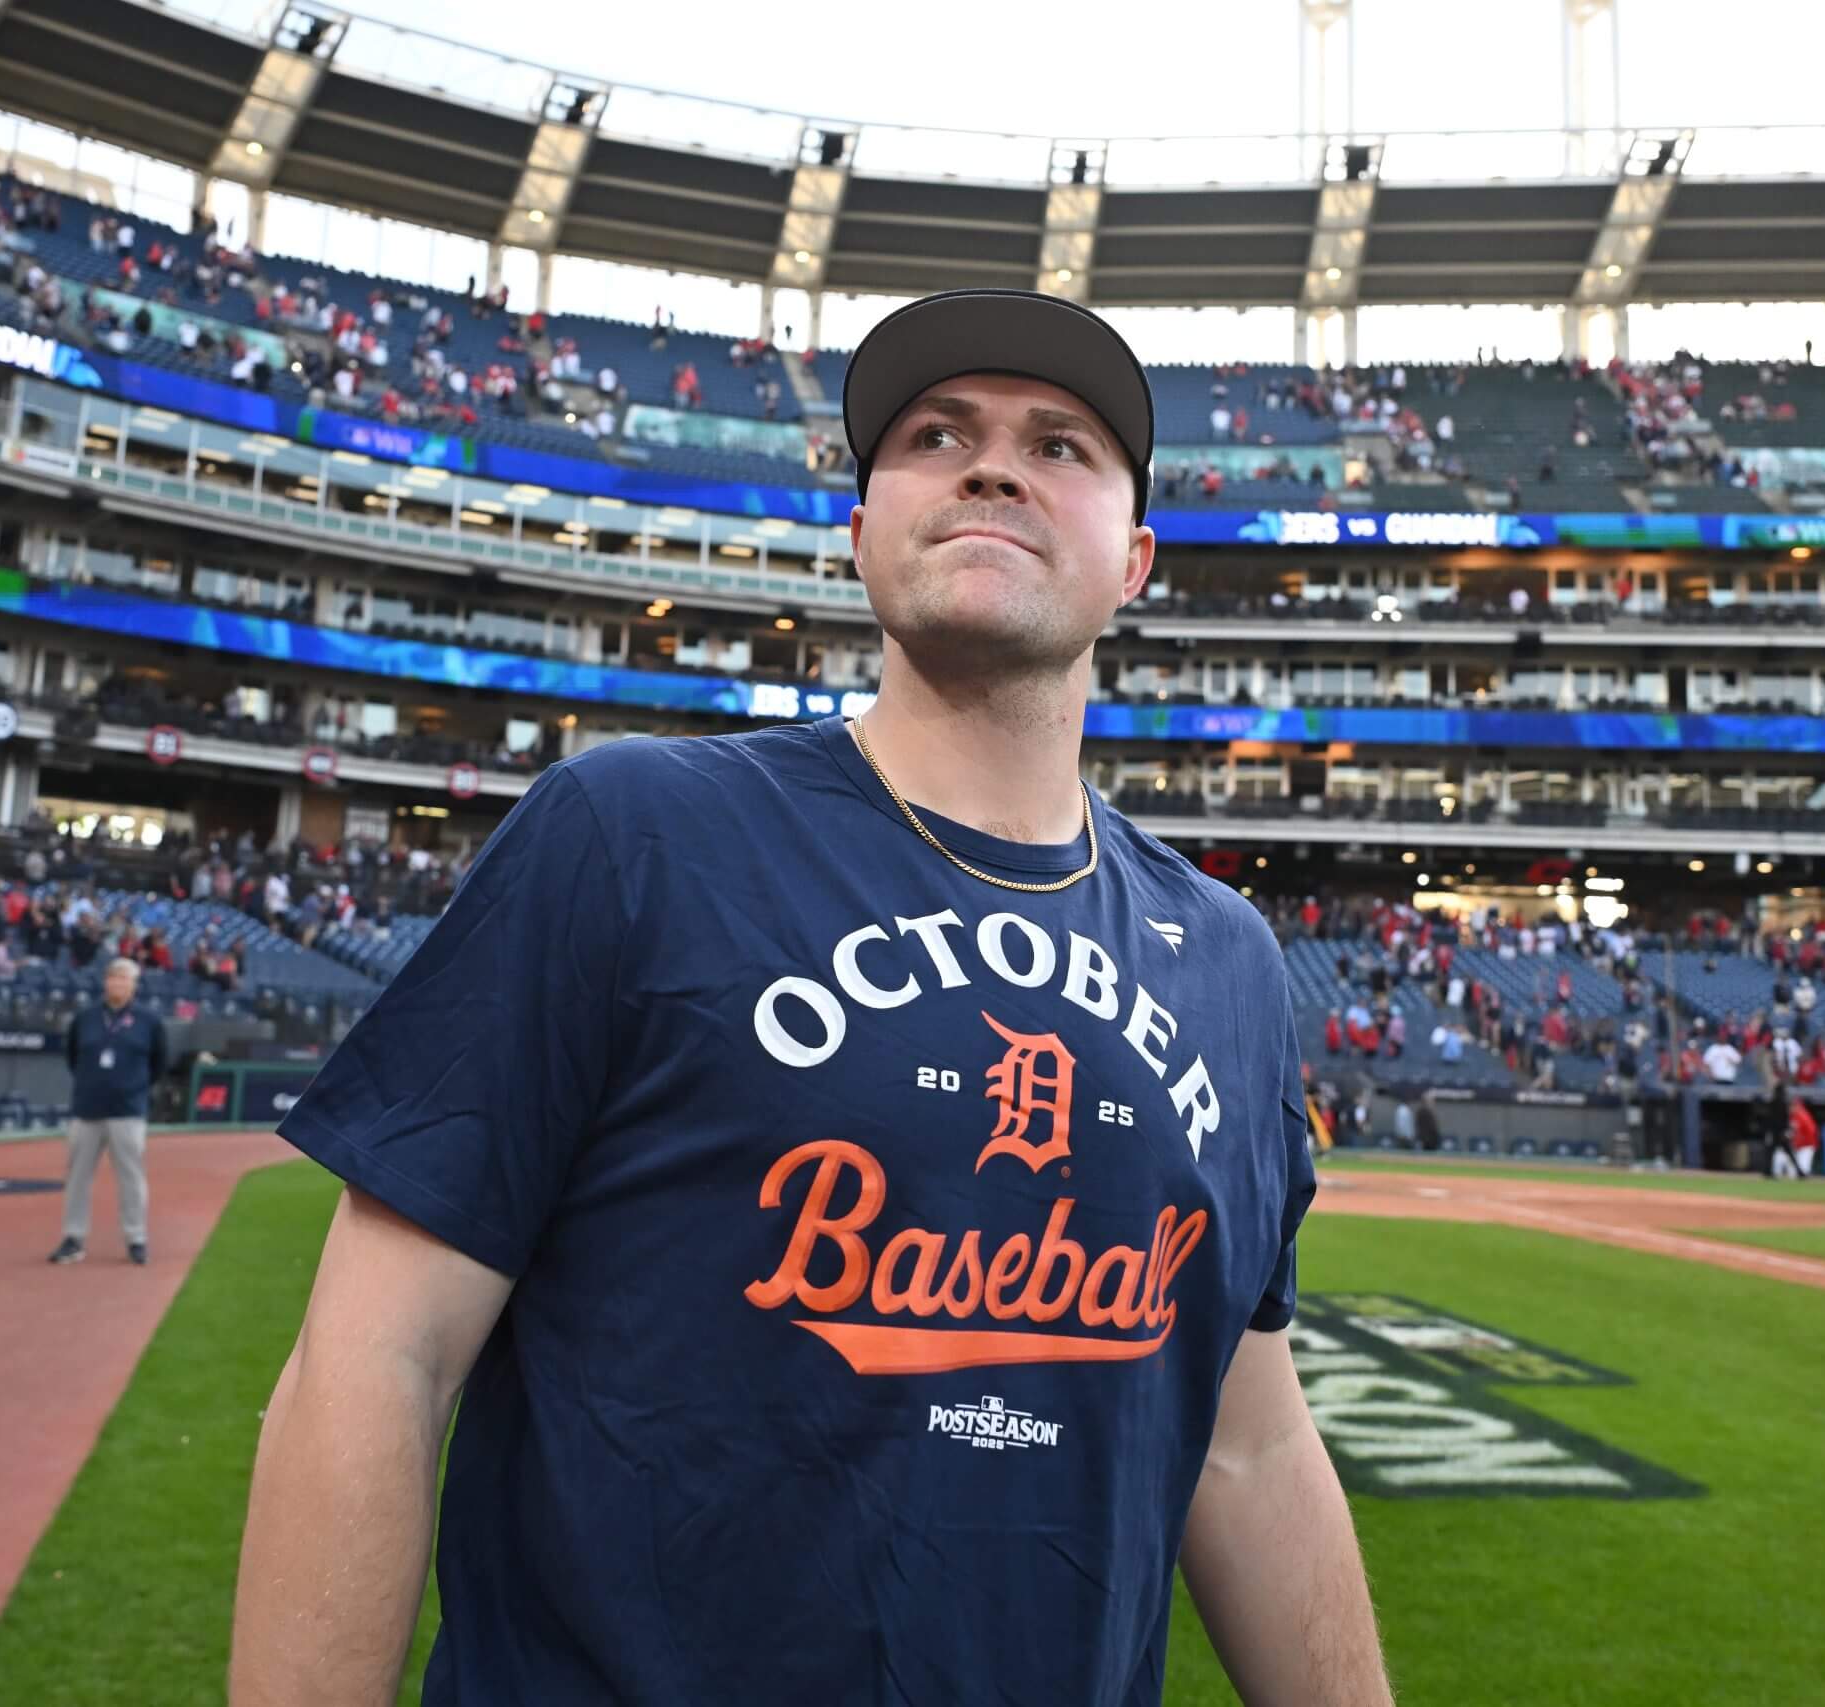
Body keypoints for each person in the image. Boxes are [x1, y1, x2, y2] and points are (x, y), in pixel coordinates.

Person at [233, 288, 1387, 1706]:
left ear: (1134, 557)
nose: (990, 464)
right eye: (935, 433)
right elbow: (377, 1357)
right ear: (858, 533)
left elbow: (1247, 1445)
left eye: (1062, 445)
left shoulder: (1228, 959)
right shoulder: (630, 835)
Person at [49, 958, 170, 1267]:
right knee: (77, 1177)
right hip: (86, 1109)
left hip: (127, 1111)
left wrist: (134, 1088)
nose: (117, 984)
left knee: (131, 1177)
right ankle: (73, 1237)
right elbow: (72, 1057)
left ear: (133, 985)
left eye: (123, 979)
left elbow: (159, 1064)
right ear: (105, 982)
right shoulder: (86, 1019)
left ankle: (136, 1238)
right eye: (112, 978)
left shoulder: (148, 1022)